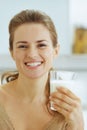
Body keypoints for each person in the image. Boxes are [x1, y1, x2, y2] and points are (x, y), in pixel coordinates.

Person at [0, 9, 84, 130]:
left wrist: (78, 126)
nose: (32, 54)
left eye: (41, 45)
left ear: (55, 51)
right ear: (12, 52)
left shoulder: (68, 110)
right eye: (23, 46)